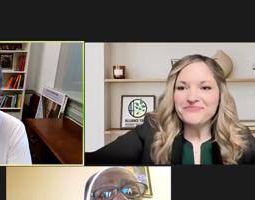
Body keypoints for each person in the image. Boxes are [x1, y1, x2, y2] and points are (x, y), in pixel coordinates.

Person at [86, 54, 255, 165]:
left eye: (205, 88)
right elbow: (90, 162)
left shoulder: (242, 139)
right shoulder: (150, 130)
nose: (191, 97)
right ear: (172, 95)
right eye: (181, 88)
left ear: (220, 95)